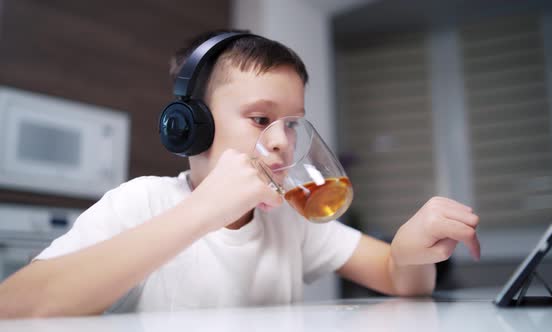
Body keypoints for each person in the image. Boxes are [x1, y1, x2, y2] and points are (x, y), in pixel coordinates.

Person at [0, 30, 480, 318]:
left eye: (292, 123)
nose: (281, 140)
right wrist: (203, 212)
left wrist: (410, 251)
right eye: (259, 119)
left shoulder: (289, 219)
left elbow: (402, 280)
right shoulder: (142, 202)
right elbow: (14, 308)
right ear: (192, 127)